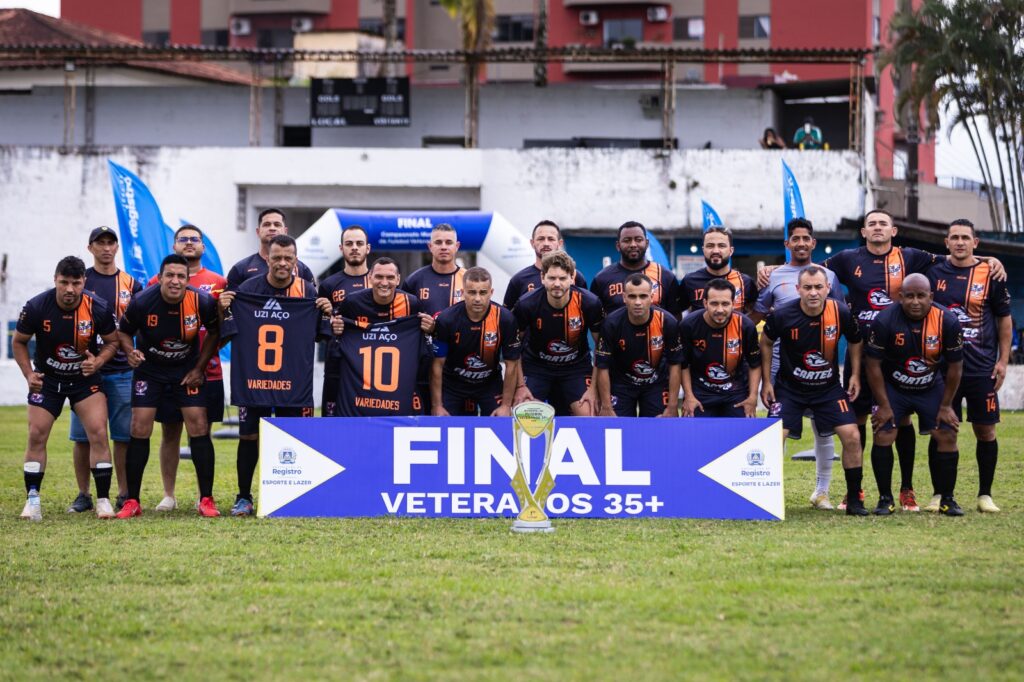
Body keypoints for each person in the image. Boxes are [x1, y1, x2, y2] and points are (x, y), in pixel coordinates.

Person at [219, 235, 333, 517]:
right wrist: (224, 308)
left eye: (288, 258)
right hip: (254, 377)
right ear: (267, 259)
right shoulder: (248, 289)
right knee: (248, 436)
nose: (282, 263)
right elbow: (226, 330)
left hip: (292, 379)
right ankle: (244, 496)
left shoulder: (307, 290)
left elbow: (320, 335)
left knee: (292, 436)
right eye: (277, 258)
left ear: (296, 261)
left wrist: (326, 313)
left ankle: (291, 495)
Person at [13, 256, 121, 519]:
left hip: (84, 381)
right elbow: (18, 341)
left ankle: (103, 500)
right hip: (47, 381)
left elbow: (112, 342)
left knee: (98, 432)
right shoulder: (36, 306)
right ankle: (32, 500)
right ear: (55, 280)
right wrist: (29, 374)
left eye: (76, 283)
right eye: (64, 282)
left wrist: (98, 362)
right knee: (36, 434)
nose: (70, 289)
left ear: (84, 281)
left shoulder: (98, 307)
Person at [116, 255, 221, 519]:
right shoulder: (142, 302)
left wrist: (199, 368)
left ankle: (206, 499)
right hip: (149, 371)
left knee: (198, 425)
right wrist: (130, 352)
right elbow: (123, 331)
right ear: (160, 277)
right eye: (170, 275)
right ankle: (132, 501)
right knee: (139, 426)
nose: (175, 281)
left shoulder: (202, 301)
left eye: (181, 276)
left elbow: (215, 332)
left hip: (186, 372)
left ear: (187, 279)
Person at [751, 218, 844, 510]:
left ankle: (822, 492)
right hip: (781, 366)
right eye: (796, 239)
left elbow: (840, 316)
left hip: (820, 368)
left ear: (813, 243)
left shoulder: (829, 276)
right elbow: (757, 315)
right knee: (777, 429)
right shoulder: (773, 276)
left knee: (823, 428)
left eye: (806, 238)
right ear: (787, 243)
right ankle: (768, 490)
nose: (801, 243)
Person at [760, 266, 867, 516]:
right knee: (773, 437)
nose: (813, 292)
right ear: (798, 289)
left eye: (819, 287)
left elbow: (856, 340)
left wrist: (854, 374)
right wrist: (767, 381)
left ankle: (854, 500)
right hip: (789, 389)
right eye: (807, 287)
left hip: (827, 389)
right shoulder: (782, 314)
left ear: (828, 288)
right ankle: (767, 498)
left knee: (852, 435)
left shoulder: (840, 311)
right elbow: (765, 342)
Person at [927, 219, 1013, 513]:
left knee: (985, 431)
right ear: (946, 242)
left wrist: (1003, 361)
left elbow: (1004, 319)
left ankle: (984, 495)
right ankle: (939, 494)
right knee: (942, 431)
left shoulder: (991, 273)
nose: (960, 242)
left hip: (981, 368)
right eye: (954, 237)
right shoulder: (933, 270)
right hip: (943, 369)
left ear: (975, 242)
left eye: (966, 237)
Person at [865, 274, 965, 516]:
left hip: (930, 386)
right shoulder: (884, 320)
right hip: (893, 388)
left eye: (921, 296)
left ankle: (947, 499)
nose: (915, 301)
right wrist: (884, 405)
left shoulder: (948, 321)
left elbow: (955, 367)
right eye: (909, 296)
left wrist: (946, 406)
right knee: (883, 433)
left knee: (947, 434)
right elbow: (872, 365)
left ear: (931, 296)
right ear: (900, 297)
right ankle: (885, 499)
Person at [146, 225, 227, 512]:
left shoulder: (219, 282)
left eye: (195, 239)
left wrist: (206, 359)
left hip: (208, 371)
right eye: (183, 239)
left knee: (201, 432)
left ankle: (203, 496)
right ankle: (168, 495)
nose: (189, 243)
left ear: (203, 246)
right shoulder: (156, 281)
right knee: (170, 432)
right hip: (169, 371)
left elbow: (224, 328)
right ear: (174, 246)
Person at [66, 226, 142, 514]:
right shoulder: (79, 282)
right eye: (100, 243)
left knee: (122, 436)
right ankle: (84, 494)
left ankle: (124, 493)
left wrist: (136, 352)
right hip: (85, 373)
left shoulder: (131, 284)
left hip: (122, 370)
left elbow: (140, 324)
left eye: (111, 243)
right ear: (90, 248)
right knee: (82, 437)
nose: (106, 248)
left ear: (117, 247)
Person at [513, 251, 604, 416]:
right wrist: (520, 386)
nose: (557, 284)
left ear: (572, 277)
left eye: (562, 278)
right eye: (552, 278)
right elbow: (513, 348)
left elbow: (601, 347)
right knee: (526, 416)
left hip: (576, 367)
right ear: (542, 277)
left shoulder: (590, 303)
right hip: (536, 367)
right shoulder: (526, 304)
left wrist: (593, 388)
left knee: (590, 415)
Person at [336, 257, 424, 416]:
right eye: (379, 277)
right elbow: (337, 330)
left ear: (398, 279)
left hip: (397, 381)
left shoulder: (410, 303)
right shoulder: (352, 302)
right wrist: (335, 326)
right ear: (370, 277)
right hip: (360, 382)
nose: (384, 282)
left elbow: (422, 336)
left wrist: (430, 328)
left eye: (390, 277)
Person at [431, 267, 522, 416]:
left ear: (491, 292)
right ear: (463, 292)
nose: (478, 298)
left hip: (489, 384)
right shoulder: (447, 319)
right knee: (444, 424)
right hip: (453, 384)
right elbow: (437, 364)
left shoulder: (505, 319)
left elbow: (511, 364)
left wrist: (506, 405)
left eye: (483, 292)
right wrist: (437, 405)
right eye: (472, 292)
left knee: (500, 422)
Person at [594, 274, 681, 417]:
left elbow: (675, 364)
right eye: (632, 296)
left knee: (661, 424)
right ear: (624, 297)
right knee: (616, 424)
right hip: (621, 383)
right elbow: (602, 366)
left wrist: (672, 406)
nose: (638, 302)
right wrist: (606, 405)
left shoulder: (667, 322)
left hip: (655, 383)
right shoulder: (611, 323)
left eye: (643, 296)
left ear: (651, 297)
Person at [400, 223, 466, 413]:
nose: (443, 246)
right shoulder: (414, 280)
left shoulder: (468, 279)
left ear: (457, 246)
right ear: (430, 246)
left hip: (459, 367)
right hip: (423, 365)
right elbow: (402, 323)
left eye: (448, 242)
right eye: (438, 242)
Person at [679, 279, 761, 417]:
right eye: (714, 303)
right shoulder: (688, 325)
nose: (720, 310)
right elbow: (683, 364)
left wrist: (752, 398)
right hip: (700, 392)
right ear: (705, 303)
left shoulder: (746, 325)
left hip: (735, 391)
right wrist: (689, 396)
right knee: (694, 429)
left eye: (725, 304)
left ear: (733, 303)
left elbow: (755, 364)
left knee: (742, 430)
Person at [318, 225, 371, 416]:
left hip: (371, 362)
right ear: (341, 249)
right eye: (349, 244)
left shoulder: (380, 282)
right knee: (332, 420)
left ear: (368, 248)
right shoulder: (328, 285)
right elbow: (319, 330)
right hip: (337, 361)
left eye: (359, 243)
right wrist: (330, 324)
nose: (354, 247)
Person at [590, 221, 679, 315]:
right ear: (618, 246)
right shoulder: (602, 278)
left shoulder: (665, 276)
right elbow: (595, 319)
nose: (633, 244)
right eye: (627, 240)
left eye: (638, 240)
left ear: (647, 243)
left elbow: (675, 317)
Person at [224, 208, 316, 291]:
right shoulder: (240, 269)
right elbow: (231, 302)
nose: (272, 228)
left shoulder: (302, 270)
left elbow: (312, 300)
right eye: (267, 224)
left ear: (285, 231)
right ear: (258, 232)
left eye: (277, 224)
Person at [503, 220, 587, 310]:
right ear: (532, 243)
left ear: (560, 243)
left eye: (551, 239)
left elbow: (586, 308)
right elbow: (507, 315)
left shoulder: (575, 276)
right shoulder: (518, 280)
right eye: (541, 239)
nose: (546, 243)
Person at [680, 227, 756, 314]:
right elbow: (676, 313)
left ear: (731, 251)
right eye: (710, 246)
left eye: (721, 246)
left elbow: (757, 313)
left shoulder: (745, 282)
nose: (715, 251)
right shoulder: (690, 281)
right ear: (703, 250)